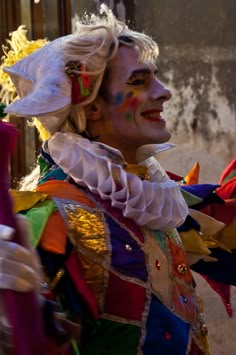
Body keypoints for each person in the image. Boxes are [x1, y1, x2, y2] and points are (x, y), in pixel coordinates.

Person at [0, 4, 220, 354]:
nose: (164, 92)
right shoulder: (51, 216)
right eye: (138, 81)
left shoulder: (154, 197)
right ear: (90, 108)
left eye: (156, 77)